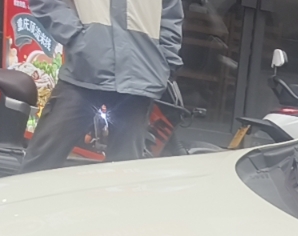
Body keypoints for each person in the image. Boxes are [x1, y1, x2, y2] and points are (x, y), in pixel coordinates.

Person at [23, 0, 184, 171]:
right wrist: (76, 37)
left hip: (138, 77)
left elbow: (170, 14)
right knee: (40, 164)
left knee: (123, 173)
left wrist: (165, 61)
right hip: (84, 71)